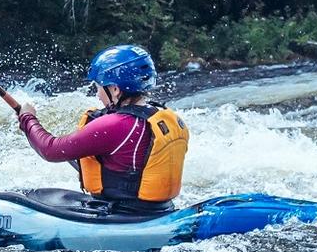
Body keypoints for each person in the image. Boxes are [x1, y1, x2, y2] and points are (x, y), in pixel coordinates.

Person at [14, 44, 188, 215]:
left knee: (15, 196)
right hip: (159, 210)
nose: (97, 94)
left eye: (98, 86)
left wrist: (27, 118)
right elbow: (129, 170)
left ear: (114, 89)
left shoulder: (116, 124)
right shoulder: (164, 117)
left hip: (124, 215)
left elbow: (50, 150)